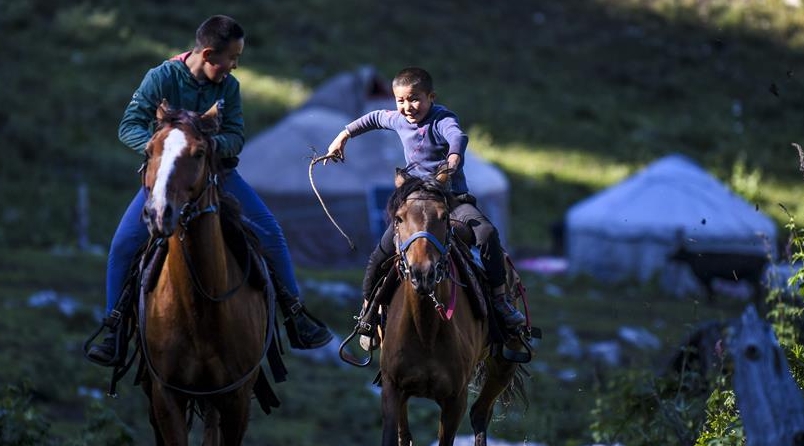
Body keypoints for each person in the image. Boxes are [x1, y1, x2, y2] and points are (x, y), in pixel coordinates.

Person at [86, 15, 332, 366]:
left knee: (271, 233)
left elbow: (236, 136)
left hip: (218, 173)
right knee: (124, 244)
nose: (234, 65)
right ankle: (114, 329)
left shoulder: (229, 87)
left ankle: (295, 314)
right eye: (232, 58)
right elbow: (129, 126)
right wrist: (166, 149)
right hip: (170, 177)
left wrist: (206, 146)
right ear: (208, 54)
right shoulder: (161, 77)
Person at [326, 67, 525, 346]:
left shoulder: (442, 119)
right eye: (401, 100)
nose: (407, 106)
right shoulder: (398, 119)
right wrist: (343, 136)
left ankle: (499, 298)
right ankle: (368, 312)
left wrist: (453, 159)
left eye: (414, 99)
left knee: (487, 233)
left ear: (431, 97)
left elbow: (457, 136)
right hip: (416, 203)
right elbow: (373, 118)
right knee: (379, 255)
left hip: (451, 201)